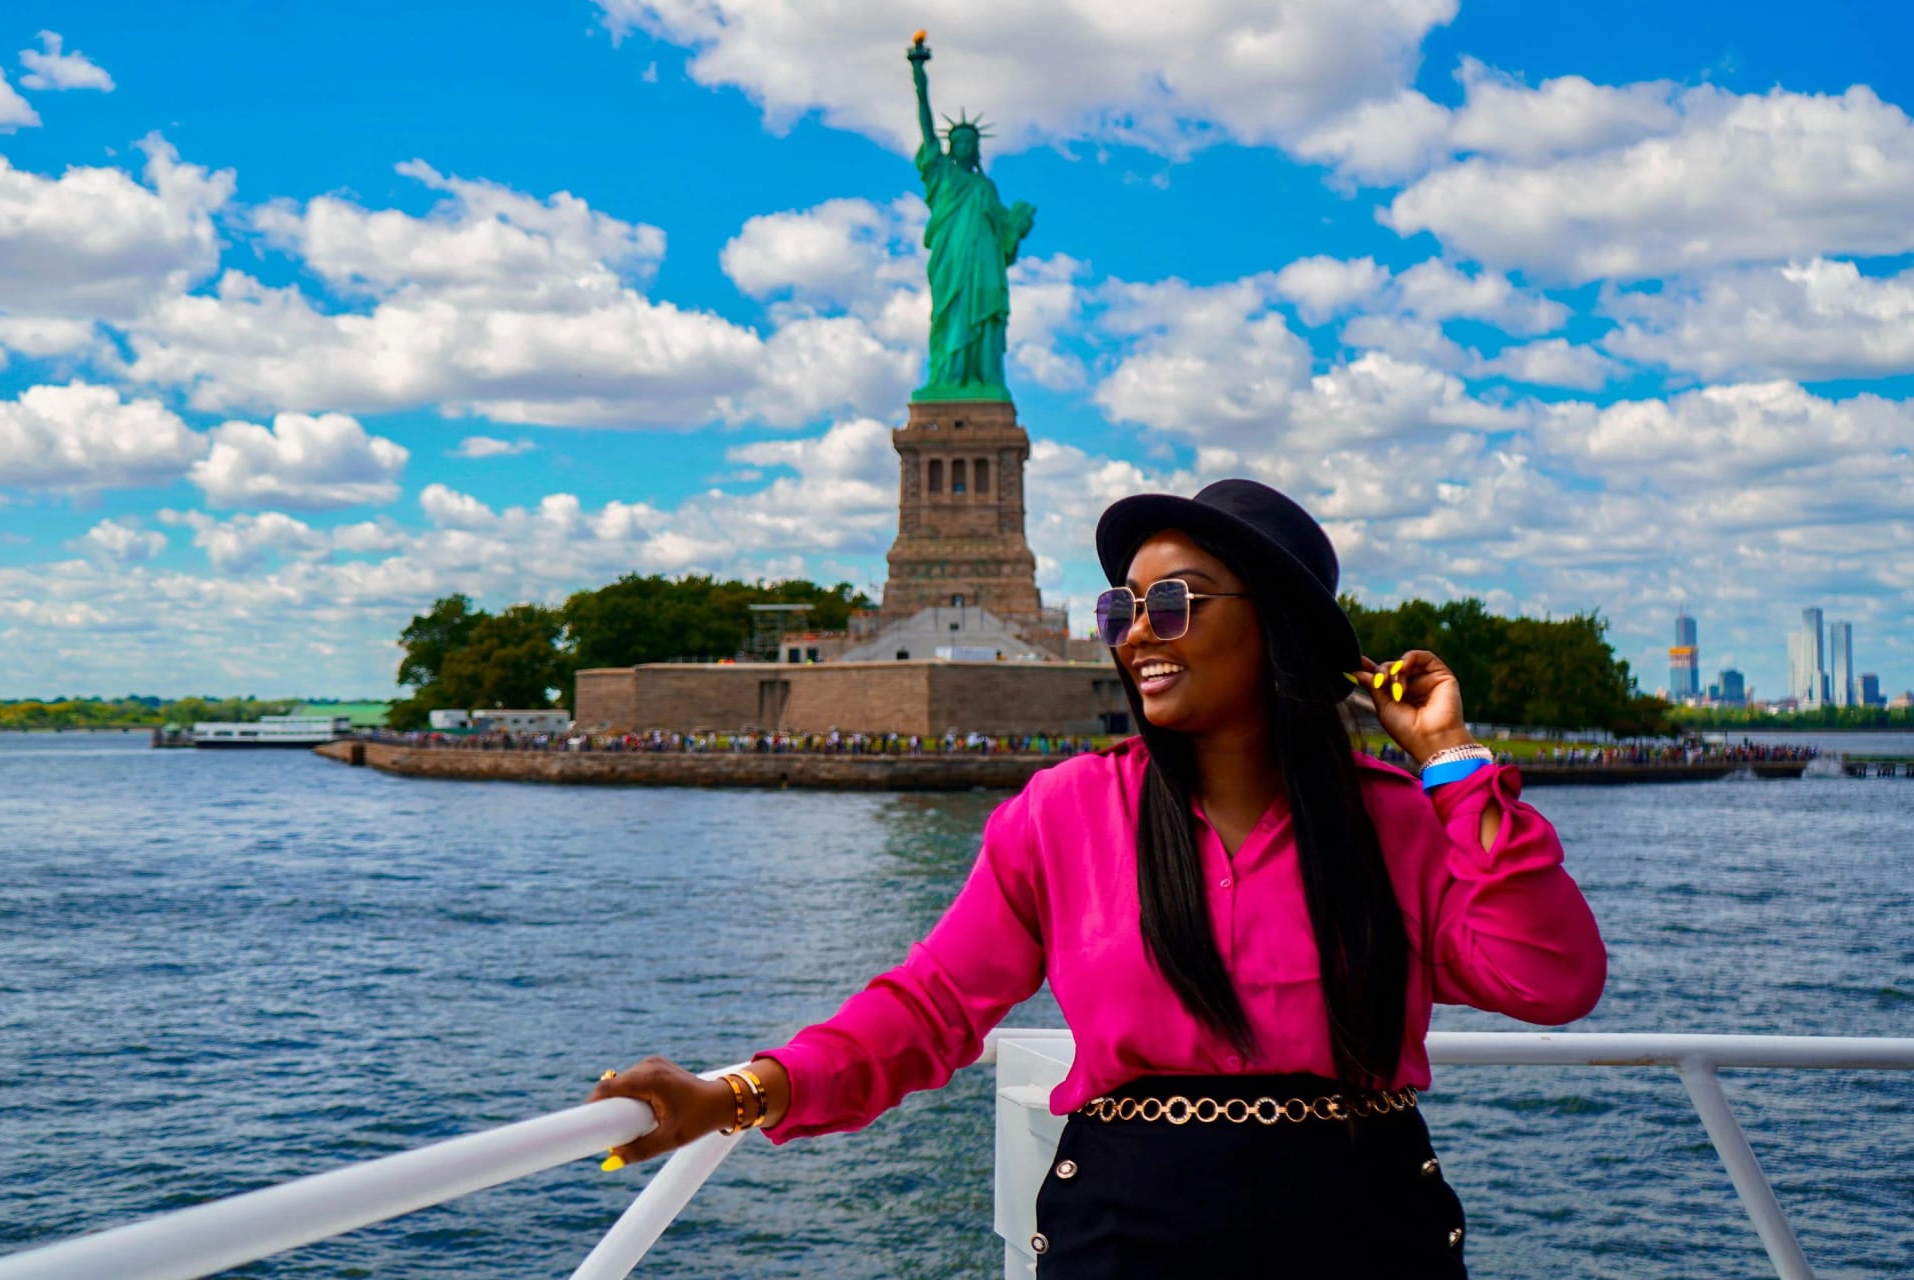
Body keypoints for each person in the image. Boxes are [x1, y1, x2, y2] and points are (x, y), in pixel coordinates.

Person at [589, 479, 1606, 1278]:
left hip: (1369, 1242)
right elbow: (930, 1007)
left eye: (1171, 602)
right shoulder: (1064, 813)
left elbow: (1550, 978)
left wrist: (1452, 761)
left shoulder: (1398, 819)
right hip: (1125, 1244)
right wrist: (739, 1092)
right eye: (1123, 605)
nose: (1135, 632)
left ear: (1278, 623)